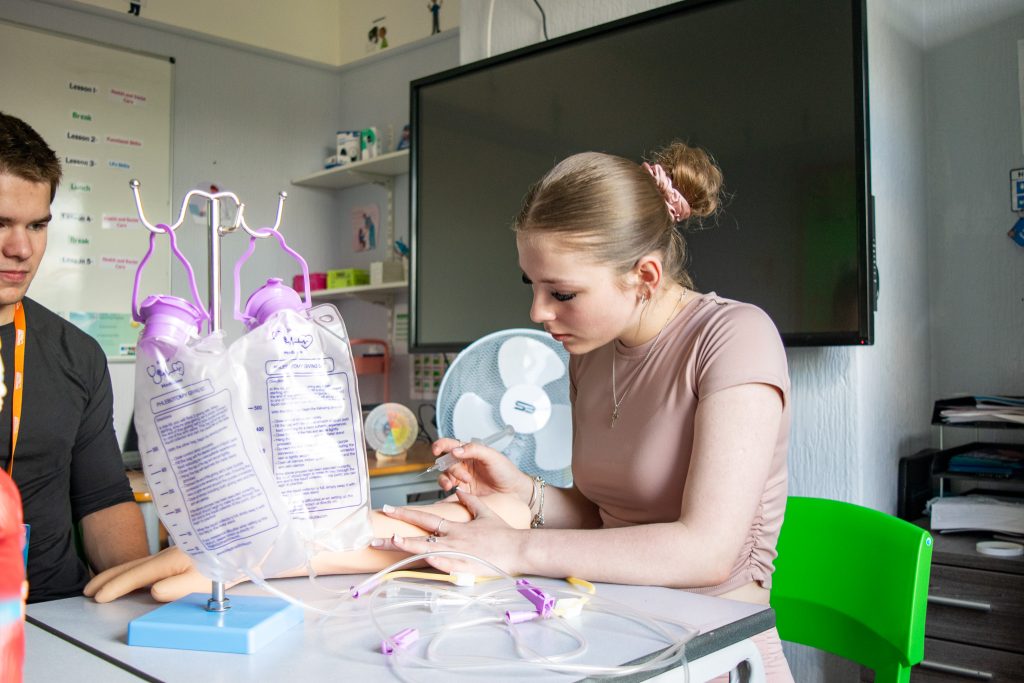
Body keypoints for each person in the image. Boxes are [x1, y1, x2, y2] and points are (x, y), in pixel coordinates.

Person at [86, 141, 793, 680]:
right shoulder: (590, 345)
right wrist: (528, 494)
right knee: (421, 533)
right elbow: (611, 518)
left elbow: (707, 550)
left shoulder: (734, 337)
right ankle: (246, 553)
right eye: (532, 285)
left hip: (714, 644)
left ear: (643, 276)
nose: (537, 312)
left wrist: (515, 542)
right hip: (611, 614)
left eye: (561, 292)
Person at [0, 112, 149, 602]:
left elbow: (102, 499)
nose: (21, 248)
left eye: (37, 225)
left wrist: (140, 604)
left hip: (56, 614)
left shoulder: (76, 354)